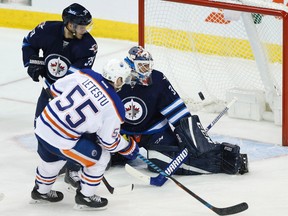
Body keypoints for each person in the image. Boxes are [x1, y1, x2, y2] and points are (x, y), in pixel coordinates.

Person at [113, 46, 248, 178]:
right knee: (101, 157)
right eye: (142, 66)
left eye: (148, 65)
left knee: (161, 162)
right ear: (131, 65)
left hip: (153, 132)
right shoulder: (116, 79)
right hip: (123, 134)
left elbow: (178, 112)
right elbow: (104, 113)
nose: (147, 70)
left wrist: (195, 139)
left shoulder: (158, 80)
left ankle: (225, 158)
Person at [30, 59, 139, 210]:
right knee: (101, 158)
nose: (124, 82)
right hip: (62, 140)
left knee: (52, 159)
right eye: (124, 79)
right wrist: (128, 147)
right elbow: (109, 142)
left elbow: (55, 90)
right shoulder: (115, 105)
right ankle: (86, 197)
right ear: (117, 79)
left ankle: (41, 192)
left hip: (42, 125)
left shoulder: (85, 74)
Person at [22, 3, 98, 123]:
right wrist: (33, 62)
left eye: (85, 27)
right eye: (81, 27)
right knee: (40, 125)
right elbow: (29, 43)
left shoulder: (88, 46)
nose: (84, 30)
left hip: (71, 97)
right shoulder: (46, 29)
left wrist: (59, 96)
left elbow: (76, 77)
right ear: (70, 24)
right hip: (47, 90)